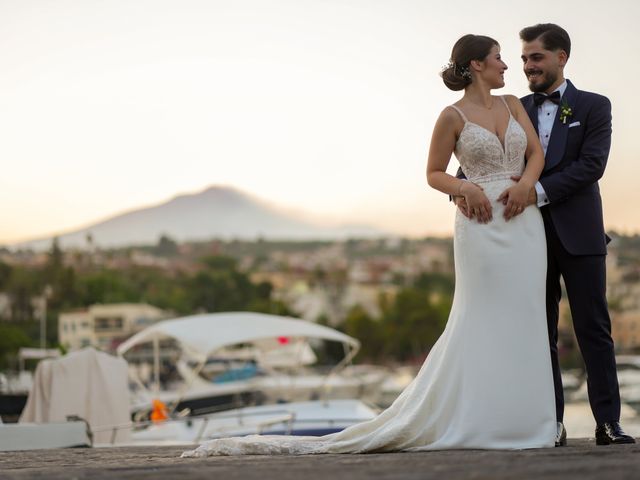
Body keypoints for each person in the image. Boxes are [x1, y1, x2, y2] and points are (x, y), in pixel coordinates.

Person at [182, 34, 557, 458]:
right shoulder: (451, 116)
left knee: (525, 314)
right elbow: (433, 173)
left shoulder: (512, 105)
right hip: (480, 226)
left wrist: (527, 185)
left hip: (523, 222)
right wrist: (463, 187)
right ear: (475, 65)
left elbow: (537, 154)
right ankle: (480, 418)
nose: (506, 66)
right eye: (498, 58)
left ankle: (527, 420)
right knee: (482, 315)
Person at [486, 23, 632, 446]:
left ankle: (607, 422)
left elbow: (592, 165)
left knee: (594, 329)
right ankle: (551, 424)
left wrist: (537, 191)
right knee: (540, 332)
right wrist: (466, 185)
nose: (527, 65)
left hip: (581, 234)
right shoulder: (513, 109)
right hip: (526, 238)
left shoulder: (594, 106)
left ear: (561, 57)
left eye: (536, 57)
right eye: (525, 57)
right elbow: (486, 157)